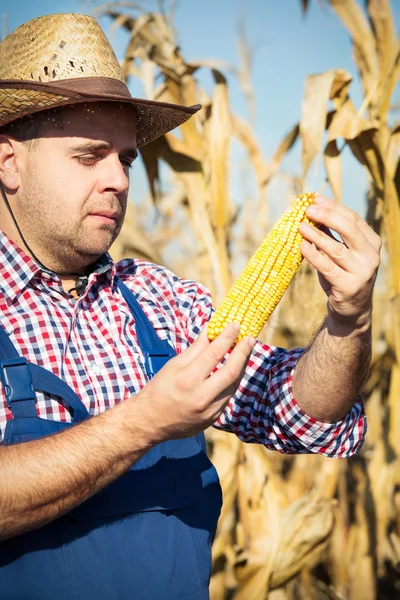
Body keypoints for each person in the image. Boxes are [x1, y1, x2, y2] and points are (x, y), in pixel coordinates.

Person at [0, 13, 380, 600]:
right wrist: (147, 420)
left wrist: (349, 320)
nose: (119, 180)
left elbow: (305, 414)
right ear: (8, 161)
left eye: (125, 159)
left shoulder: (161, 301)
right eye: (89, 155)